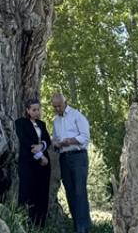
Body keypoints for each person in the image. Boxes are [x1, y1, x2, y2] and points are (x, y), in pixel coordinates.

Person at [51, 93, 92, 233]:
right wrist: (56, 143)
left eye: (59, 106)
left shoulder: (76, 115)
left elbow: (85, 137)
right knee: (70, 192)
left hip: (78, 156)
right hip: (64, 158)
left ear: (65, 102)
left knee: (80, 191)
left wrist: (70, 141)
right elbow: (55, 139)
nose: (57, 109)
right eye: (54, 107)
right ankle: (77, 226)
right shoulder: (55, 121)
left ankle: (84, 228)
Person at [14, 98, 52, 228]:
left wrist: (42, 145)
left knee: (41, 193)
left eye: (38, 109)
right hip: (29, 163)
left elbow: (47, 140)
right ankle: (24, 224)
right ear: (28, 110)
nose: (37, 112)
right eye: (34, 110)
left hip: (43, 166)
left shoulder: (42, 124)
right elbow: (26, 142)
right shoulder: (21, 123)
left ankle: (40, 225)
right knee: (27, 192)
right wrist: (40, 156)